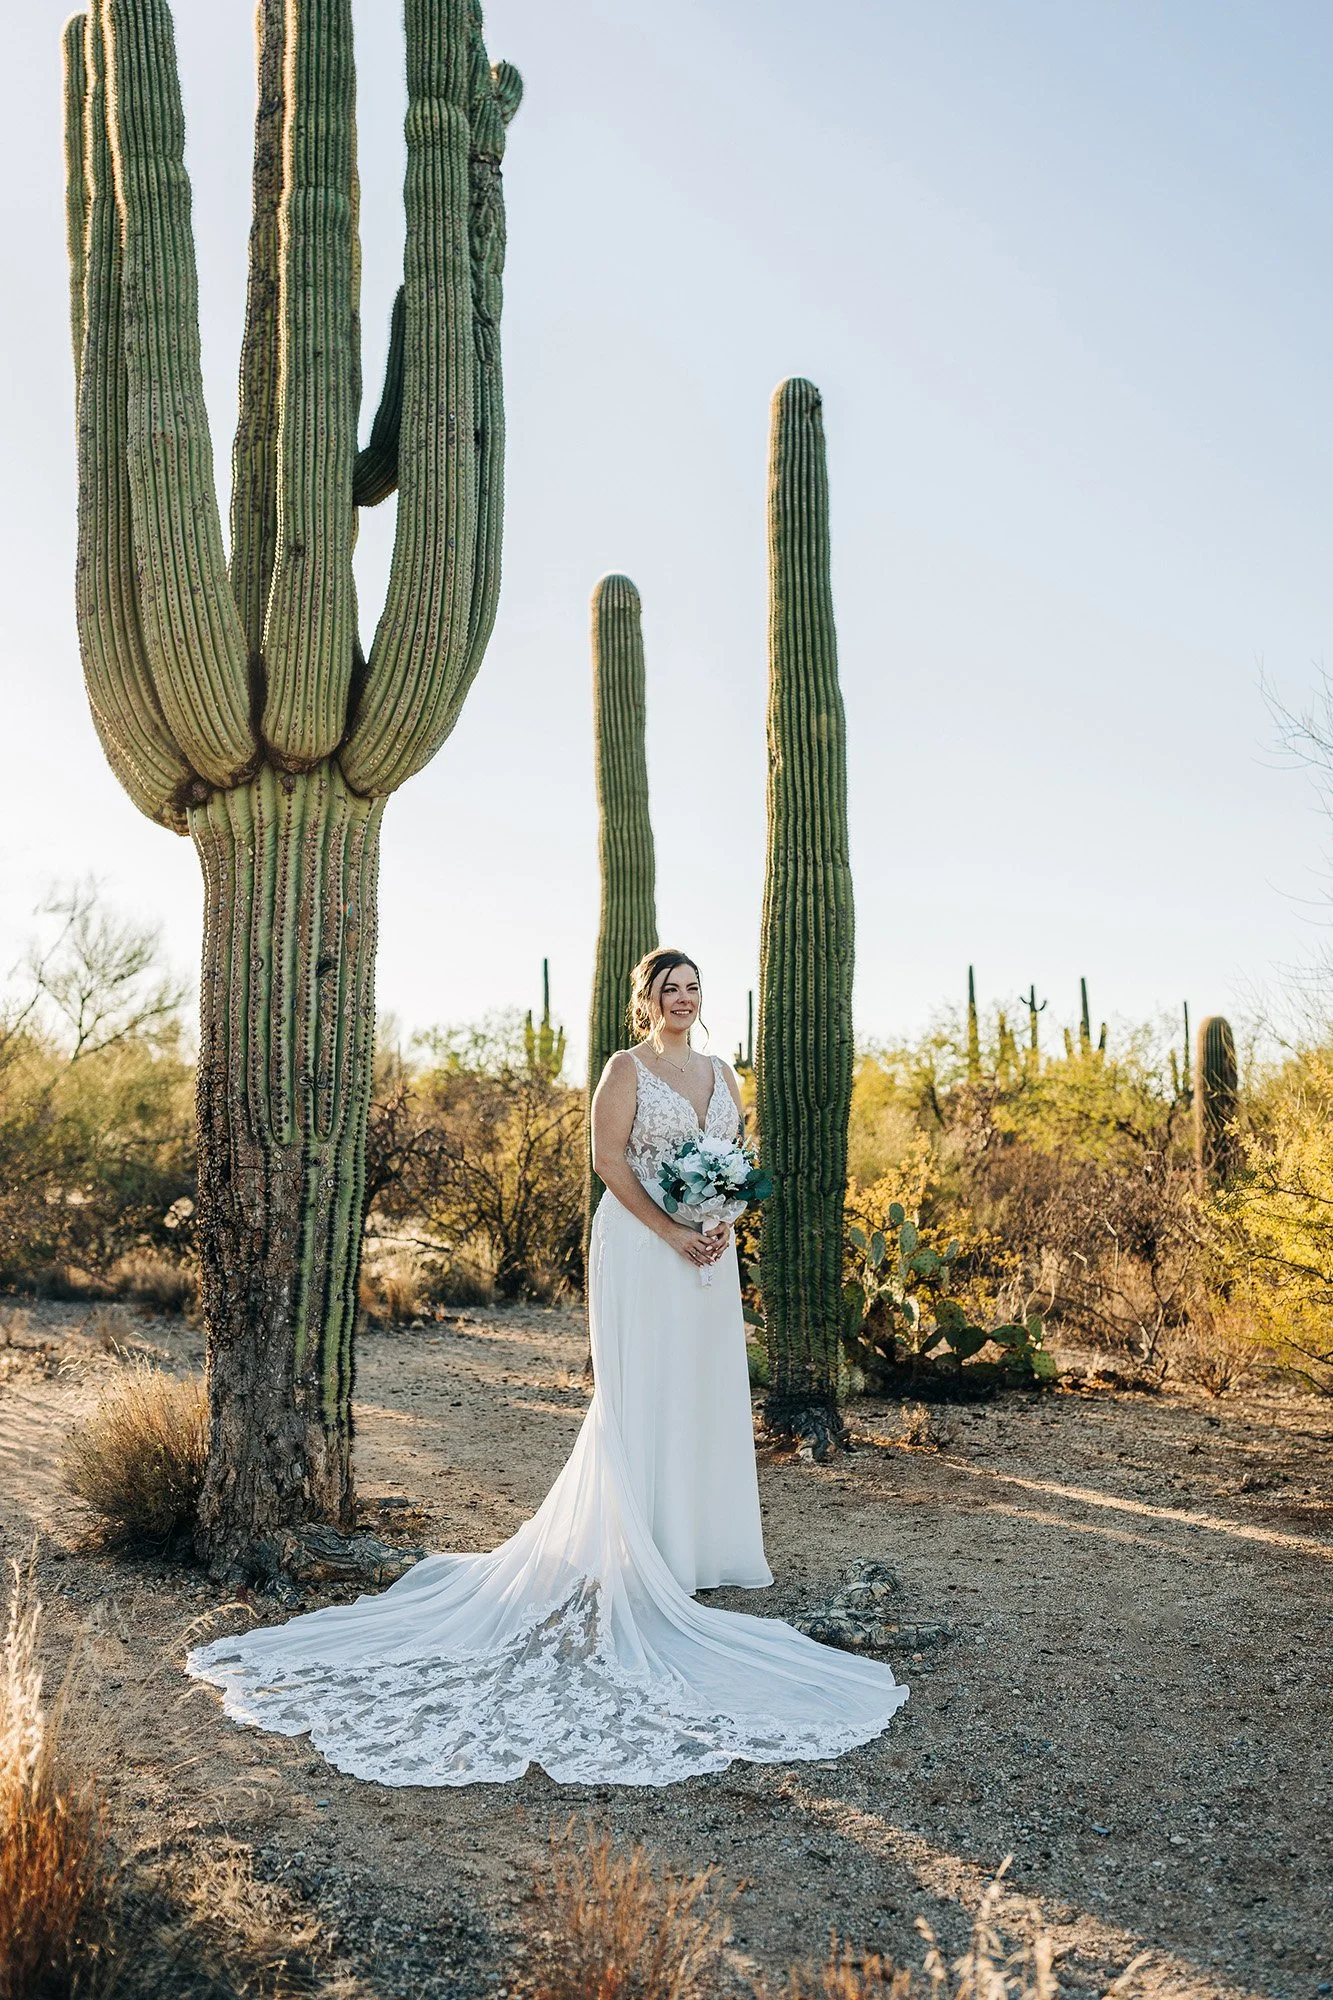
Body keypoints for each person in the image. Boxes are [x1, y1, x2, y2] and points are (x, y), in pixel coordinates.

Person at [188, 949, 908, 1786]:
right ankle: (643, 1547)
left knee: (704, 1393)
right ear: (646, 1000)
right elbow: (609, 1164)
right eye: (669, 989)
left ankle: (703, 1548)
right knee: (644, 1390)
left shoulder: (722, 1072)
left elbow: (735, 1163)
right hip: (643, 1247)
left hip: (708, 1256)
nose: (682, 999)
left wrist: (721, 1219)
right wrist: (672, 1229)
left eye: (692, 988)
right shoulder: (624, 1068)